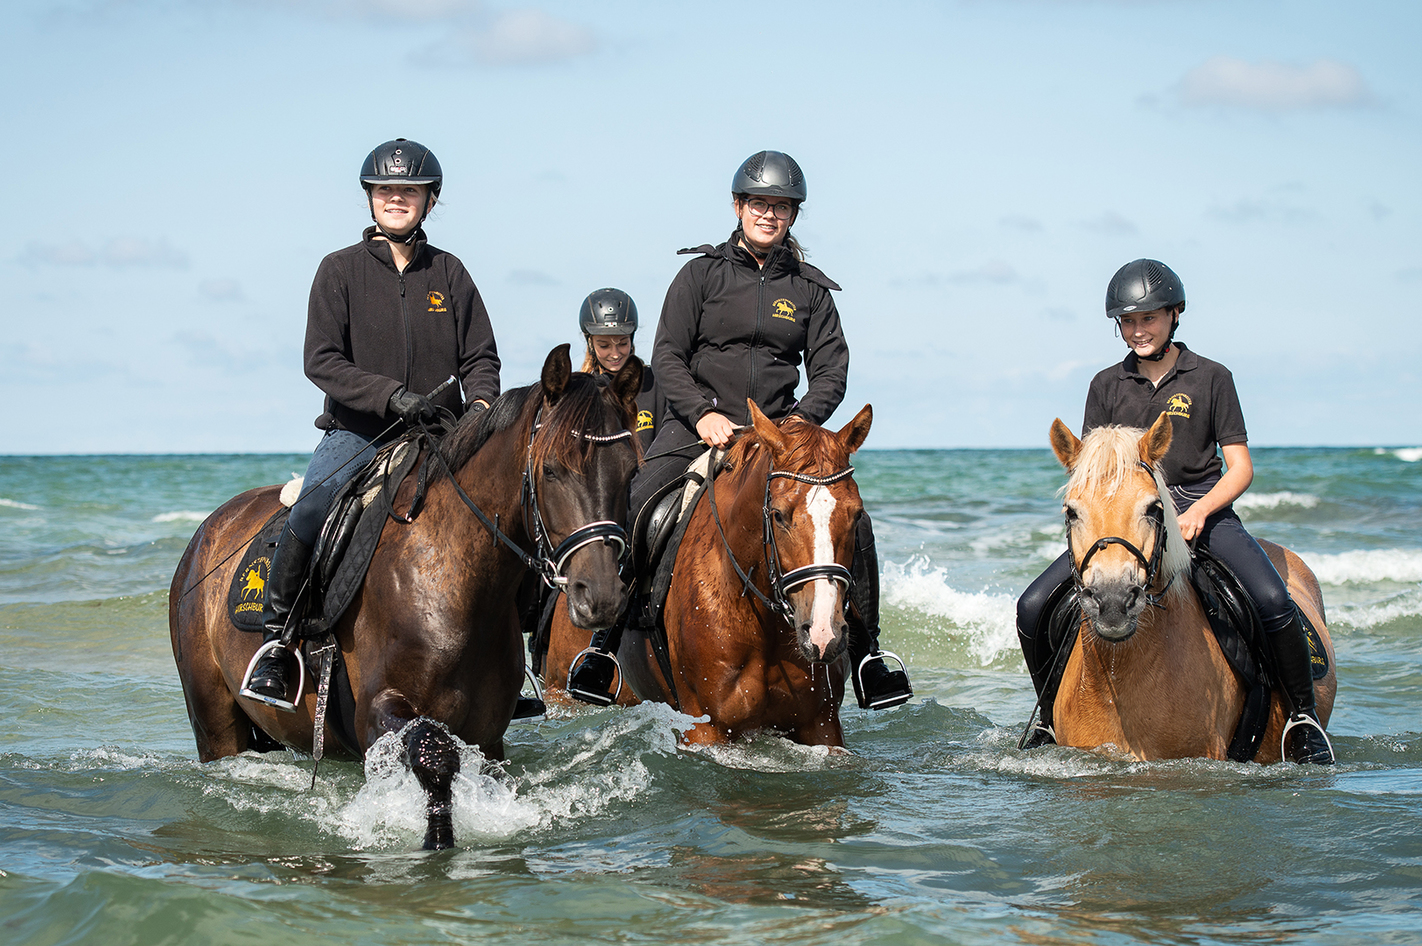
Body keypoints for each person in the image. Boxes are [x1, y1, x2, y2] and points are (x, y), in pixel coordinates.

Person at [564, 150, 913, 711]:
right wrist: (702, 412)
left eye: (779, 206)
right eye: (758, 204)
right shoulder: (699, 275)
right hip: (695, 428)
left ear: (792, 215)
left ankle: (869, 652)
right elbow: (668, 354)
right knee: (639, 502)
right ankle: (606, 645)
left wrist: (795, 426)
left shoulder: (811, 291)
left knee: (853, 520)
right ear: (738, 206)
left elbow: (832, 370)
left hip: (777, 438)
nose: (768, 215)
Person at [1015, 258, 1333, 763]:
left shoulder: (1211, 378)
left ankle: (1301, 718)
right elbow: (1094, 473)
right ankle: (1049, 719)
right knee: (1032, 607)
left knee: (1273, 598)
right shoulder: (1105, 385)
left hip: (1199, 510)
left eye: (1149, 319)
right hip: (1125, 522)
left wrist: (1201, 511)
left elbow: (1240, 468)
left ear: (1175, 315)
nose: (1138, 330)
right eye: (1128, 321)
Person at [241, 138, 500, 710]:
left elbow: (481, 357)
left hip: (441, 435)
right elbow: (322, 361)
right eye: (387, 190)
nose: (397, 199)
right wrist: (391, 398)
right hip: (359, 431)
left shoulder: (452, 274)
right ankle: (277, 642)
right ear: (370, 199)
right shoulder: (339, 271)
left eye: (409, 191)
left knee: (499, 516)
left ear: (430, 201)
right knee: (311, 506)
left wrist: (480, 409)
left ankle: (506, 665)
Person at [578, 288, 663, 450]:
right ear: (589, 343)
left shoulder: (657, 383)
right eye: (604, 345)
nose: (615, 354)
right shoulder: (583, 394)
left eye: (623, 343)